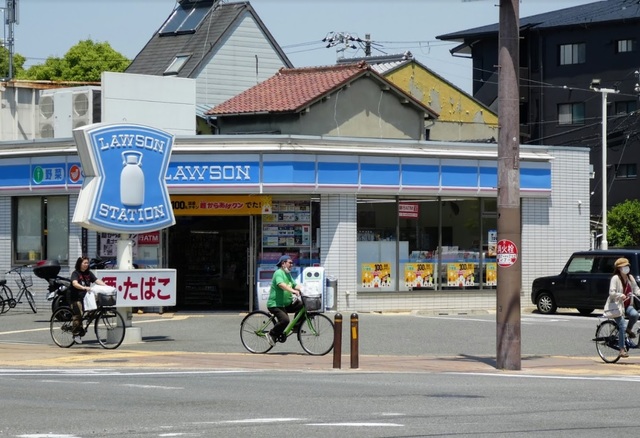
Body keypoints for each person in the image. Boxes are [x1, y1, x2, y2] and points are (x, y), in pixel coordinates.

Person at [605, 257, 640, 358]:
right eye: (624, 266)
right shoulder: (615, 278)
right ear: (619, 268)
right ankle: (621, 349)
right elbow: (611, 293)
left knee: (635, 314)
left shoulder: (630, 278)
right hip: (616, 307)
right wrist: (620, 295)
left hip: (627, 306)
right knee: (622, 325)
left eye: (627, 266)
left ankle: (628, 330)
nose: (626, 268)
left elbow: (636, 289)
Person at [69, 256, 108, 344]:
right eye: (84, 263)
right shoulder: (75, 273)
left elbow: (97, 281)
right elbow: (74, 283)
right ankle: (76, 334)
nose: (86, 265)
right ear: (80, 264)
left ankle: (87, 318)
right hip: (76, 297)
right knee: (78, 315)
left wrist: (106, 287)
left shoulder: (88, 273)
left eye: (87, 263)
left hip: (86, 297)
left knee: (96, 302)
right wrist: (83, 287)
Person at [266, 255, 303, 346]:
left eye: (292, 263)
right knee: (285, 320)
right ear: (283, 263)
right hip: (275, 304)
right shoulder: (278, 273)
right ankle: (271, 334)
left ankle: (296, 327)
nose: (292, 264)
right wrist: (293, 291)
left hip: (286, 304)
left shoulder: (287, 274)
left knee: (302, 305)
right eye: (290, 263)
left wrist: (305, 289)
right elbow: (281, 285)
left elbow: (294, 285)